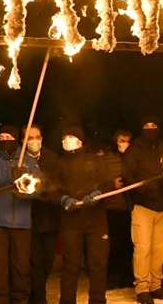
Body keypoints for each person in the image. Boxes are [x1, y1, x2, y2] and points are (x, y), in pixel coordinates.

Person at [0, 125, 43, 304]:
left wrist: (30, 188)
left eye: (9, 137)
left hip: (21, 224)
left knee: (21, 271)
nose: (5, 140)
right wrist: (11, 175)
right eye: (2, 137)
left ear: (16, 139)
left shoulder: (28, 161)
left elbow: (40, 185)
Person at [52, 125, 115, 304]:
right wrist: (63, 199)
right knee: (71, 266)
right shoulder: (59, 163)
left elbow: (108, 183)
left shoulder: (95, 161)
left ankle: (97, 300)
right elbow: (51, 189)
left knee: (98, 265)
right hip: (71, 222)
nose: (67, 140)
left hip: (96, 221)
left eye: (71, 137)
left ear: (80, 141)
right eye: (64, 137)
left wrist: (97, 194)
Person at [123, 116, 163, 304]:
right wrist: (143, 190)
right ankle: (142, 287)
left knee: (160, 248)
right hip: (143, 205)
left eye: (154, 126)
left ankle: (155, 285)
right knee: (143, 247)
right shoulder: (134, 150)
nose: (151, 129)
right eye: (147, 126)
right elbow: (127, 175)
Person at [25, 124, 60, 304]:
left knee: (47, 260)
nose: (34, 141)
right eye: (30, 138)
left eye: (36, 137)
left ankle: (36, 294)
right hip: (30, 219)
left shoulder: (52, 158)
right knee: (35, 262)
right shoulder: (20, 160)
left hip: (50, 217)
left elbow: (56, 182)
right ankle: (39, 297)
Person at [100, 129, 134, 290]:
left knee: (128, 243)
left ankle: (127, 275)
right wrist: (112, 183)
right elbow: (103, 178)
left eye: (127, 140)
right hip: (113, 205)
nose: (124, 144)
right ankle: (112, 276)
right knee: (114, 244)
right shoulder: (108, 158)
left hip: (130, 205)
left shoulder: (132, 157)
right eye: (122, 140)